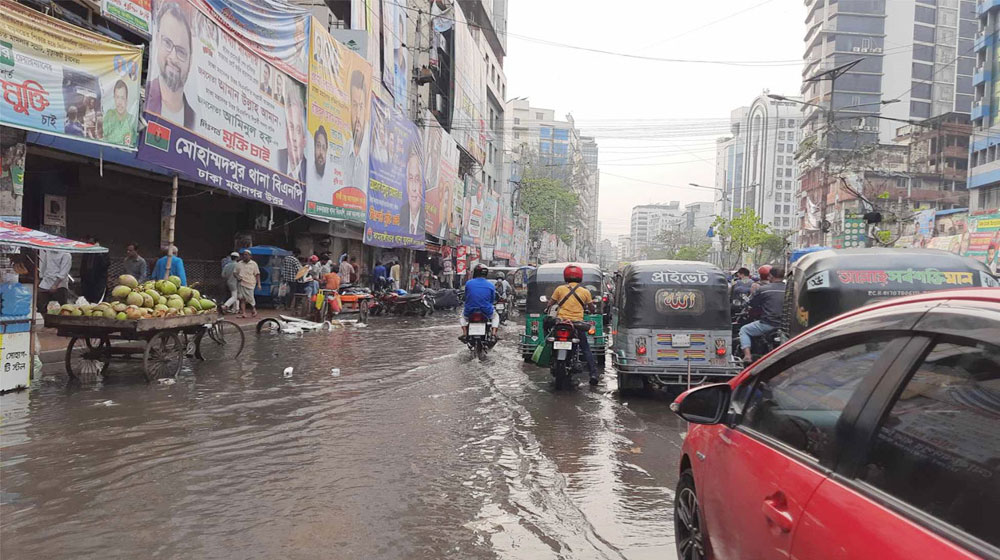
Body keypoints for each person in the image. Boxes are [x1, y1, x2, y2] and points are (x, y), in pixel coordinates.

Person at [544, 264, 599, 385]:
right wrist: (592, 309)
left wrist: (547, 307)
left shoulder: (559, 289)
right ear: (580, 277)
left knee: (548, 336)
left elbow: (550, 303)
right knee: (585, 348)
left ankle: (547, 358)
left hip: (560, 322)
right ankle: (594, 374)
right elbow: (591, 308)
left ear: (565, 277)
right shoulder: (585, 292)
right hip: (576, 324)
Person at [147, 1, 196, 128]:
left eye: (181, 51)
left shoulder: (195, 119)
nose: (173, 57)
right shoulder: (142, 95)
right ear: (157, 40)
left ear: (190, 61)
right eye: (167, 43)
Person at [739, 266, 786, 364]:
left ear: (770, 276)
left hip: (768, 324)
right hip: (785, 326)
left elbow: (752, 303)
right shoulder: (790, 289)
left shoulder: (763, 289)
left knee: (744, 330)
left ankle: (747, 356)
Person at [459, 264, 499, 341]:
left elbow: (466, 297)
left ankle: (464, 333)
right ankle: (494, 334)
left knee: (462, 316)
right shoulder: (491, 285)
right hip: (486, 310)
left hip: (470, 310)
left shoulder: (468, 283)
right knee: (496, 317)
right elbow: (492, 300)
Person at [280, 87, 306, 182]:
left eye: (298, 130)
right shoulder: (277, 157)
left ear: (304, 140)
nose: (293, 138)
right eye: (291, 128)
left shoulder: (309, 173)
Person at [400, 143, 424, 236]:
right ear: (406, 183)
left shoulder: (427, 220)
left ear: (422, 184)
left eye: (417, 180)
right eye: (410, 178)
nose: (414, 188)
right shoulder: (399, 215)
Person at [103, 80, 136, 146]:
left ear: (127, 100)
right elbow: (101, 137)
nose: (119, 102)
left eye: (122, 98)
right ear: (114, 98)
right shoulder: (109, 115)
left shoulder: (132, 120)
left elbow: (134, 145)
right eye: (117, 97)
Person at [37, 249, 71, 313]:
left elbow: (63, 272)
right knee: (41, 306)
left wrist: (55, 285)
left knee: (62, 308)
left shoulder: (66, 255)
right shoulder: (48, 253)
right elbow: (44, 267)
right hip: (46, 282)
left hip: (60, 284)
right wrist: (41, 280)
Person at [79, 236, 109, 303]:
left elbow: (105, 265)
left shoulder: (103, 252)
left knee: (97, 301)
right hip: (87, 282)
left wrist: (99, 252)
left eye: (91, 243)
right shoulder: (86, 252)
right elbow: (83, 266)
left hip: (98, 281)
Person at [234, 249, 261, 318]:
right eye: (244, 255)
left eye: (246, 255)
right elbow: (235, 273)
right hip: (241, 283)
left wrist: (259, 284)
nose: (244, 256)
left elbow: (257, 274)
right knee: (242, 298)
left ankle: (253, 310)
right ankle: (243, 313)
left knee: (250, 298)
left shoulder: (254, 264)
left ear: (250, 256)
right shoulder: (239, 263)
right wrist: (237, 277)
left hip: (250, 283)